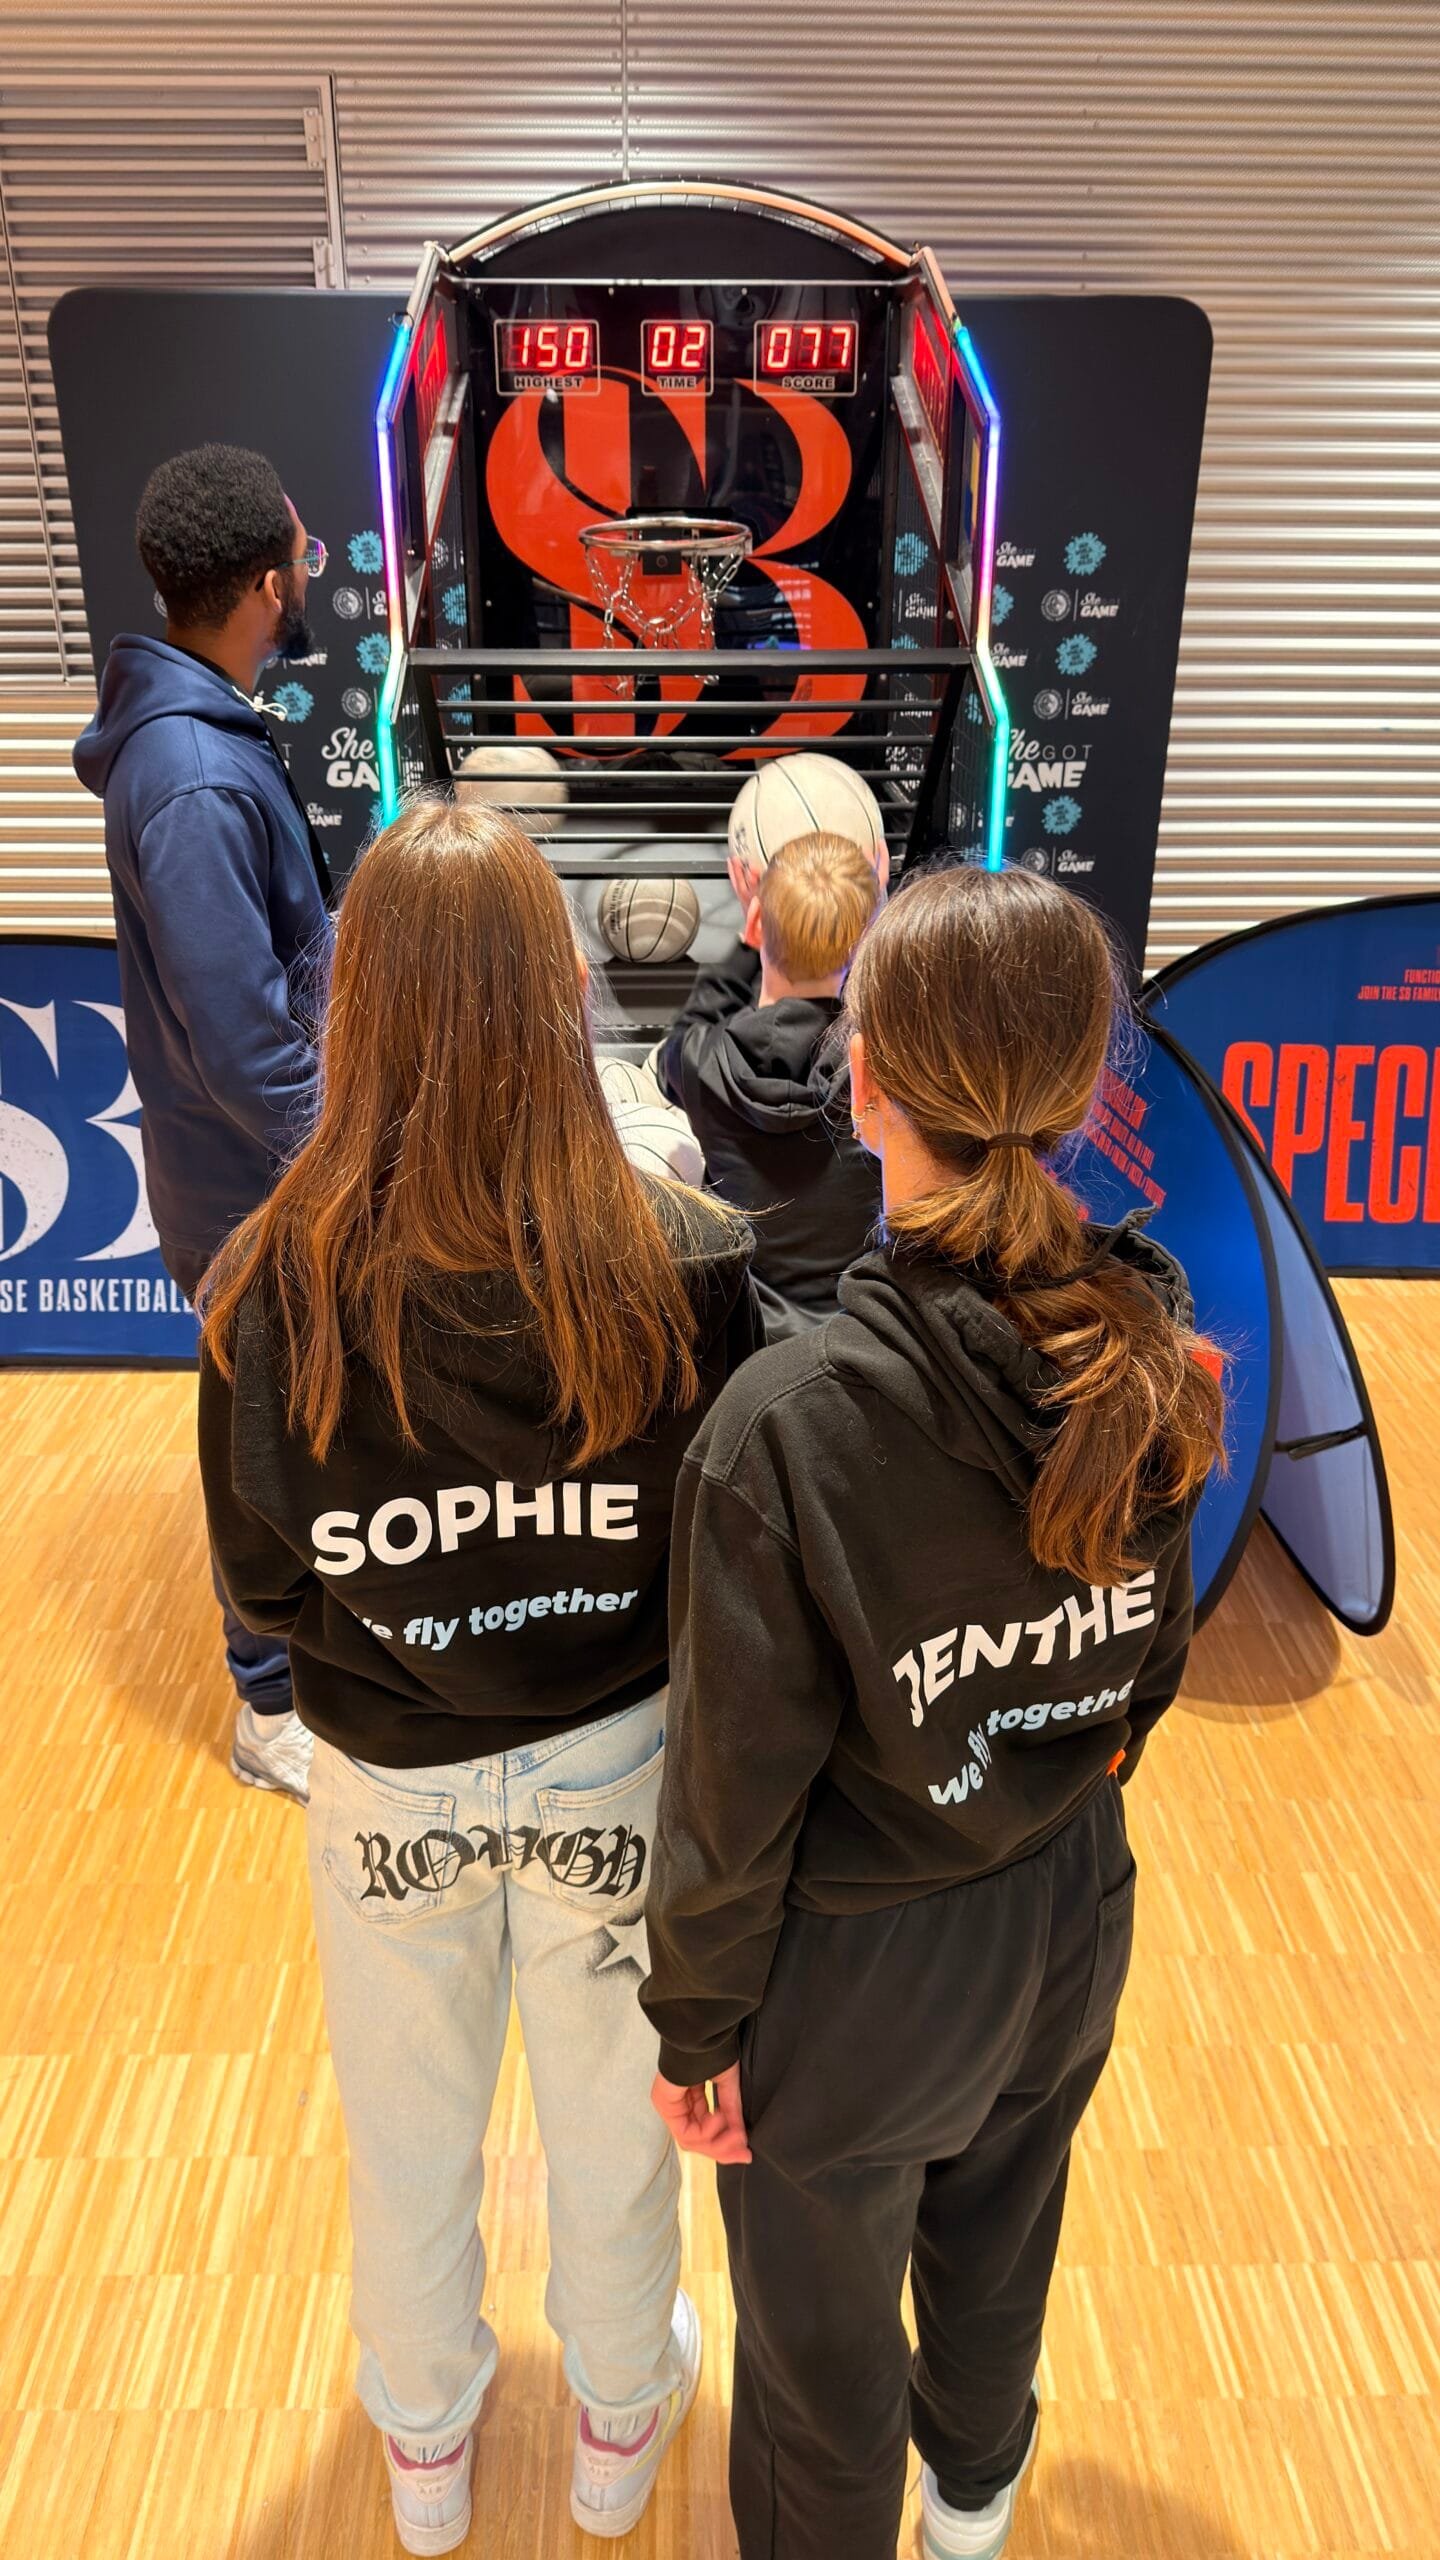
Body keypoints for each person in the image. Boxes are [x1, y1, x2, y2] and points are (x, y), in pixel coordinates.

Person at [640, 865, 1226, 2560]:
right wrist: (1045, 1770)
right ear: (1078, 1079)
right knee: (1001, 2263)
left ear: (867, 1078)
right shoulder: (1150, 1340)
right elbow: (1149, 1679)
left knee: (821, 2378)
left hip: (858, 1987)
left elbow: (728, 1801)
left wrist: (695, 2031)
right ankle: (973, 2517)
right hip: (1069, 1918)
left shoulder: (788, 1419)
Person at [196, 798, 759, 2556]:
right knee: (614, 2126)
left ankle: (426, 2457)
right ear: (557, 991)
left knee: (408, 2136)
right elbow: (714, 1561)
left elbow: (267, 1583)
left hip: (389, 1787)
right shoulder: (688, 1261)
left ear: (351, 1007)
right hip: (619, 1766)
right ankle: (613, 2434)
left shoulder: (267, 1283)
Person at [74, 442, 333, 1803]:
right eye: (298, 555)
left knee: (287, 1421)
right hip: (250, 1190)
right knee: (254, 1436)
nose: (312, 574)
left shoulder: (207, 729)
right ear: (260, 585)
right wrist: (344, 1158)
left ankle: (298, 1659)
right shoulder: (187, 778)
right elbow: (242, 1043)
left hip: (261, 1177)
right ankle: (267, 1701)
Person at [659, 831, 885, 1327]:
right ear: (868, 940)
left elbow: (682, 1039)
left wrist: (745, 943)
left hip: (747, 1327)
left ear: (758, 923)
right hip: (858, 1324)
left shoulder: (699, 1059)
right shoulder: (882, 1068)